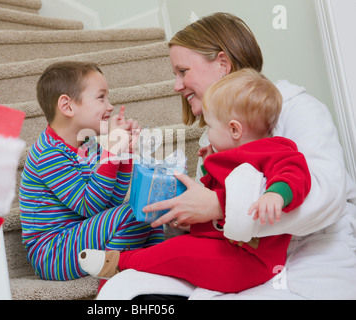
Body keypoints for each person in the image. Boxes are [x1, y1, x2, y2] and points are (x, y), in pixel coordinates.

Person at [96, 12, 355, 300]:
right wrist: (188, 215)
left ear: (222, 63)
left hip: (307, 255)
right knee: (124, 292)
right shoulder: (214, 136)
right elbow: (210, 215)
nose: (176, 85)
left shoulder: (298, 109)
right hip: (231, 253)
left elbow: (326, 196)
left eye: (183, 71)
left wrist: (220, 206)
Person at [78, 68, 312, 292]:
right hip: (224, 244)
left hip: (251, 259)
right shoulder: (225, 157)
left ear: (234, 129)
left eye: (210, 126)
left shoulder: (273, 149)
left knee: (179, 251)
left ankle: (120, 262)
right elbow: (217, 199)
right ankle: (132, 266)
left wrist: (276, 194)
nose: (207, 133)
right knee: (176, 247)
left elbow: (293, 171)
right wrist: (212, 166)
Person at [19, 61, 164, 281]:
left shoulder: (88, 144)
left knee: (148, 210)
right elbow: (89, 205)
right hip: (52, 253)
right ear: (67, 106)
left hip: (84, 235)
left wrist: (124, 154)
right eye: (101, 97)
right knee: (135, 213)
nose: (110, 106)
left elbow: (110, 202)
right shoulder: (47, 154)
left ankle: (157, 263)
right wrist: (112, 152)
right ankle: (123, 267)